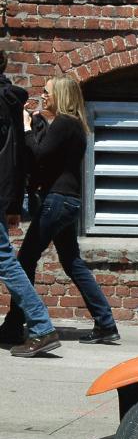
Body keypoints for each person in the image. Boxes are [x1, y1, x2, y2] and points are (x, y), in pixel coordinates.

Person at [0, 74, 118, 353]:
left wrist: (27, 128)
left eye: (48, 92)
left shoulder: (66, 123)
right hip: (67, 201)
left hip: (58, 201)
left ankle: (18, 325)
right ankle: (106, 323)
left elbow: (39, 154)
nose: (43, 95)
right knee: (72, 262)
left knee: (25, 259)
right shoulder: (73, 126)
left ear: (62, 96)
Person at [0, 49, 60, 357]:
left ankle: (41, 326)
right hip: (3, 192)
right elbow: (14, 158)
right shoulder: (10, 102)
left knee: (5, 262)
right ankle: (37, 326)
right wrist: (10, 203)